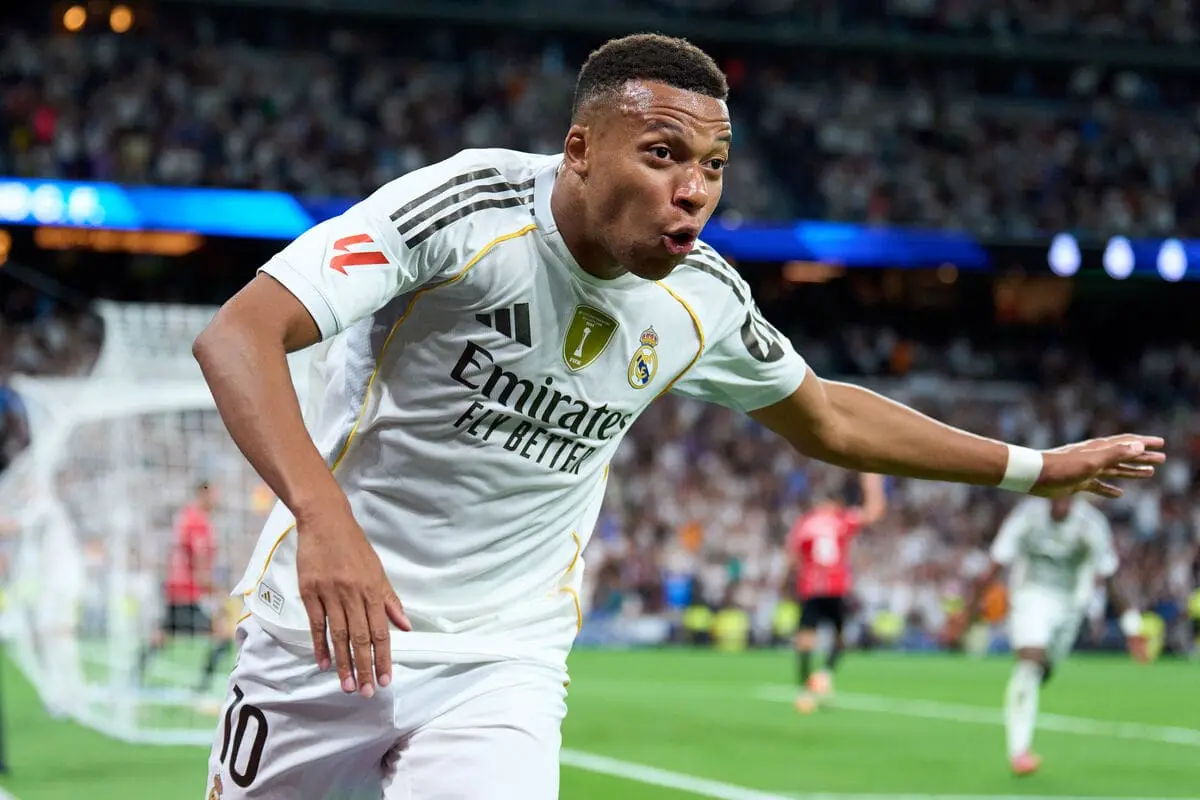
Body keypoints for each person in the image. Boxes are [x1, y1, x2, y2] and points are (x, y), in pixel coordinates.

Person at [192, 33, 1165, 799]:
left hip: (502, 658)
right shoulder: (468, 211)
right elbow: (240, 336)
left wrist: (1039, 467)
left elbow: (825, 415)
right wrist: (325, 519)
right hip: (322, 631)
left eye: (713, 164)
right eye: (662, 154)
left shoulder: (703, 296)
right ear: (580, 149)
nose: (693, 188)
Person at [954, 495, 1143, 776]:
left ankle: (1030, 686)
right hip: (1030, 596)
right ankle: (1019, 752)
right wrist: (967, 615)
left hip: (1071, 605)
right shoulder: (1026, 517)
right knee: (1029, 664)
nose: (1061, 501)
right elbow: (995, 566)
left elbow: (1110, 576)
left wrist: (1133, 628)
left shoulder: (1091, 523)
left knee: (1044, 668)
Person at [786, 472, 886, 713]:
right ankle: (825, 673)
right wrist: (873, 481)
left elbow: (791, 556)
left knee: (805, 641)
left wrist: (795, 578)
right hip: (836, 587)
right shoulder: (841, 519)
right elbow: (874, 512)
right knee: (841, 639)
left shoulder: (806, 522)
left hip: (810, 588)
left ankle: (805, 691)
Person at [138, 480, 233, 693]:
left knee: (161, 635)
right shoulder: (198, 522)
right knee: (224, 634)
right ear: (203, 492)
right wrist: (218, 592)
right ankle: (202, 687)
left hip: (174, 589)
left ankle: (133, 675)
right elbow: (200, 566)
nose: (218, 499)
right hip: (187, 593)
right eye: (215, 493)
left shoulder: (185, 517)